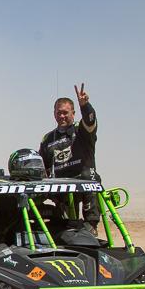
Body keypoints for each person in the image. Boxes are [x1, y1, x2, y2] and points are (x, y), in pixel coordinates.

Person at [39, 83, 100, 229]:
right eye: (58, 112)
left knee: (90, 177)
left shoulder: (81, 130)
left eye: (65, 113)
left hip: (84, 180)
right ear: (54, 113)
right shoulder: (48, 138)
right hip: (61, 187)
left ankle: (91, 225)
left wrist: (85, 106)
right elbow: (42, 166)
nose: (62, 116)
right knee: (66, 226)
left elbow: (90, 121)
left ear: (73, 113)